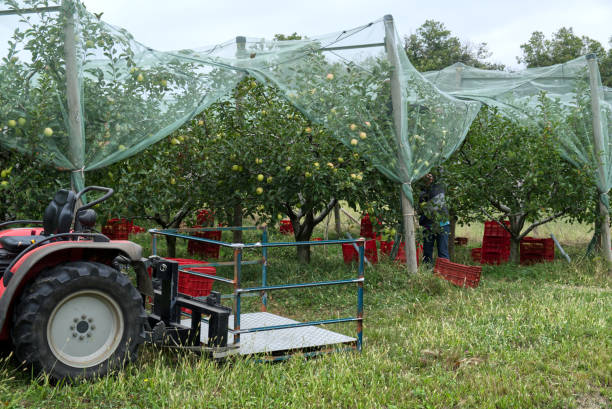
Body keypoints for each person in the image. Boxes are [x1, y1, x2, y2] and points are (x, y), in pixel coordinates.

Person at [418, 173, 450, 264]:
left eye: (430, 175)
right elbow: (421, 209)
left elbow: (441, 170)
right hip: (428, 225)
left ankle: (444, 272)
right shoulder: (423, 193)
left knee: (443, 251)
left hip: (442, 223)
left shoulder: (439, 186)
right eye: (426, 175)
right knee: (427, 252)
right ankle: (427, 273)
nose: (428, 177)